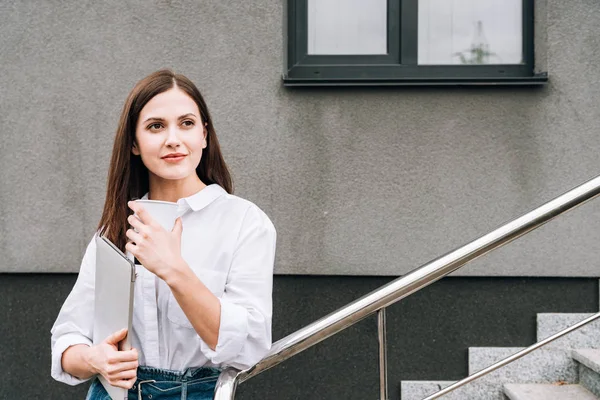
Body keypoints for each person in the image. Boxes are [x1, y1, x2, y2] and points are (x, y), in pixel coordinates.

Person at [50, 69, 276, 400]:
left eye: (186, 123)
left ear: (204, 135)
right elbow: (67, 340)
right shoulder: (116, 226)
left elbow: (249, 347)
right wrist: (94, 359)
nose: (173, 139)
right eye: (156, 126)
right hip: (114, 393)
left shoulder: (244, 223)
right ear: (135, 144)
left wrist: (174, 269)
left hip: (199, 392)